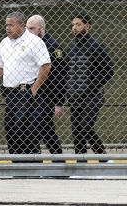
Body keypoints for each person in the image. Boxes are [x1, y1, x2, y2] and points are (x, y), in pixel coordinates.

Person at [0, 11, 51, 154]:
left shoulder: (34, 42)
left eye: (11, 25)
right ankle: (16, 163)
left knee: (23, 126)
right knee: (10, 127)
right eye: (6, 25)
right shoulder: (4, 43)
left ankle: (33, 161)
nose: (8, 28)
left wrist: (35, 88)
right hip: (10, 94)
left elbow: (46, 65)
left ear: (21, 25)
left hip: (26, 92)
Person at [65, 13, 114, 158]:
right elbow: (67, 72)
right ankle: (81, 166)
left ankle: (103, 158)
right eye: (73, 25)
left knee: (85, 128)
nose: (74, 28)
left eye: (78, 24)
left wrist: (91, 87)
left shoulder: (96, 46)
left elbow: (108, 70)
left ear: (87, 26)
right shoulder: (71, 48)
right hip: (74, 97)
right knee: (76, 132)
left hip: (92, 97)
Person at [26, 14, 65, 154]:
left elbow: (60, 77)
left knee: (34, 127)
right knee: (47, 130)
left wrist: (59, 102)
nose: (28, 32)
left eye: (32, 29)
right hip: (33, 95)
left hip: (47, 96)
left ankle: (35, 162)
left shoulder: (53, 48)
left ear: (42, 29)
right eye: (27, 28)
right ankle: (59, 162)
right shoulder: (30, 46)